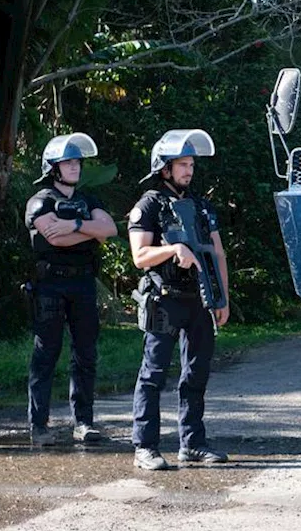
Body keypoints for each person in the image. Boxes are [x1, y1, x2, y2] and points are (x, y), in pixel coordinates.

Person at [127, 129, 230, 471]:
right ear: (164, 168)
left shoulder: (201, 205)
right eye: (181, 164)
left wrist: (222, 298)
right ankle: (145, 446)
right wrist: (172, 249)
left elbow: (217, 252)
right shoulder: (148, 205)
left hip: (199, 300)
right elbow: (140, 256)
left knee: (196, 374)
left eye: (190, 164)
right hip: (164, 299)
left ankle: (193, 443)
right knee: (153, 374)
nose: (188, 170)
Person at [24, 133, 118, 446]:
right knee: (45, 353)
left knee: (86, 353)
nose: (75, 166)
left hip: (83, 284)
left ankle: (84, 422)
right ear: (53, 167)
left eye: (77, 161)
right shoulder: (41, 200)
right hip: (50, 284)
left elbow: (110, 229)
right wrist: (89, 231)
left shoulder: (90, 200)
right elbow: (54, 237)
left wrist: (75, 226)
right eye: (68, 162)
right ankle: (39, 425)